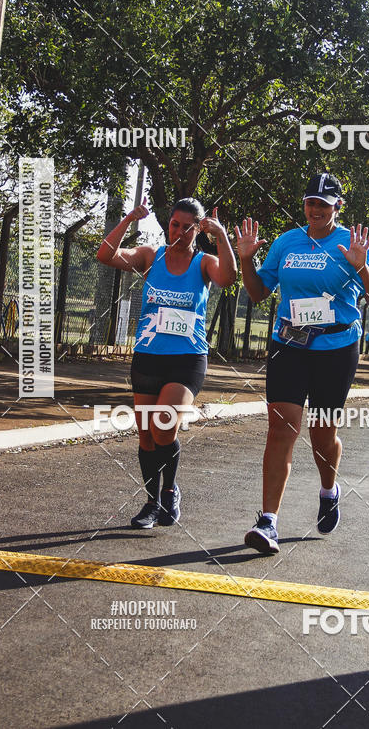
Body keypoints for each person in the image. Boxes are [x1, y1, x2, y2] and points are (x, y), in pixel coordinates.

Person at [236, 173, 369, 554]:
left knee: (322, 433)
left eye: (324, 204)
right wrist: (246, 260)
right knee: (281, 428)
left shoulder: (351, 243)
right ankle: (268, 521)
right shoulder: (287, 242)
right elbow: (258, 292)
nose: (316, 209)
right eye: (311, 203)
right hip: (289, 344)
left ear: (338, 207)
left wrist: (361, 267)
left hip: (336, 347)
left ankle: (329, 490)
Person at [97, 197, 236, 528]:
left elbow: (229, 278)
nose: (180, 232)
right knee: (146, 435)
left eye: (188, 227)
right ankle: (152, 503)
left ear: (198, 230)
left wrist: (221, 236)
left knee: (163, 424)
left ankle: (170, 490)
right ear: (168, 224)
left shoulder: (204, 262)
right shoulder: (150, 256)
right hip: (149, 356)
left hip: (187, 359)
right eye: (175, 225)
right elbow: (105, 255)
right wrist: (130, 218)